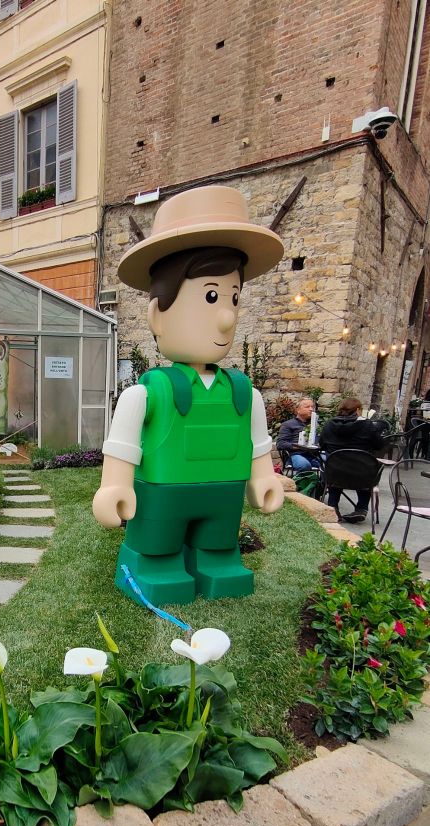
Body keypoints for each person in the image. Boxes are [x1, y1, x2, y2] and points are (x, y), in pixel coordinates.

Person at [92, 185, 284, 606]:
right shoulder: (148, 392)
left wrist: (262, 477)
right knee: (158, 543)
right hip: (165, 492)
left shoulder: (244, 392)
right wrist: (115, 486)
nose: (226, 316)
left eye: (233, 297)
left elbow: (256, 444)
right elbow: (122, 446)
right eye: (211, 296)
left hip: (224, 491)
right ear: (158, 315)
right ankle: (155, 565)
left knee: (219, 542)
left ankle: (217, 562)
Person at [319, 397, 384, 523]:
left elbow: (322, 444)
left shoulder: (329, 425)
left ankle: (333, 506)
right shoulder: (368, 425)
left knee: (336, 466)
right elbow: (379, 445)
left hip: (335, 473)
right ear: (358, 410)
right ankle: (361, 508)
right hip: (361, 474)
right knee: (366, 467)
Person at [276, 398, 319, 471]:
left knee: (331, 462)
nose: (311, 409)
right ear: (298, 410)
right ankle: (302, 478)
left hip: (315, 455)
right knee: (304, 465)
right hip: (296, 455)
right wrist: (298, 446)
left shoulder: (315, 425)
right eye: (307, 407)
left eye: (312, 407)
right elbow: (280, 444)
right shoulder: (288, 424)